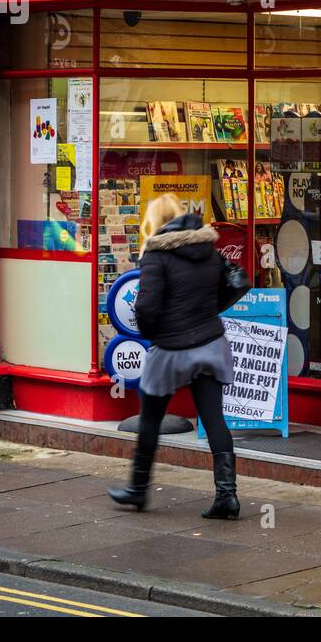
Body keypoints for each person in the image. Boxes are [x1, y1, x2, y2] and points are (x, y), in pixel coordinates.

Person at [109, 194, 246, 519]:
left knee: (150, 420)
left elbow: (145, 307)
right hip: (211, 343)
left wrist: (153, 333)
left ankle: (138, 490)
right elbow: (224, 291)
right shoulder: (210, 251)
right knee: (214, 419)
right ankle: (227, 496)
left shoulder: (157, 255)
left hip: (170, 349)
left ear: (155, 222)